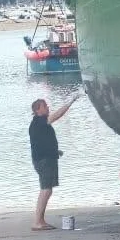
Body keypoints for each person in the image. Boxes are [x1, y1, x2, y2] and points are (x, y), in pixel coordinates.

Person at [29, 96, 78, 231]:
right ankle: (38, 222)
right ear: (38, 110)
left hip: (45, 159)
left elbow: (41, 142)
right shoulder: (40, 121)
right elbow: (57, 116)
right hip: (44, 161)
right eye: (45, 106)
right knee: (46, 190)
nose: (48, 108)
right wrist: (70, 102)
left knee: (47, 190)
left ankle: (40, 220)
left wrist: (56, 151)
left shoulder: (38, 123)